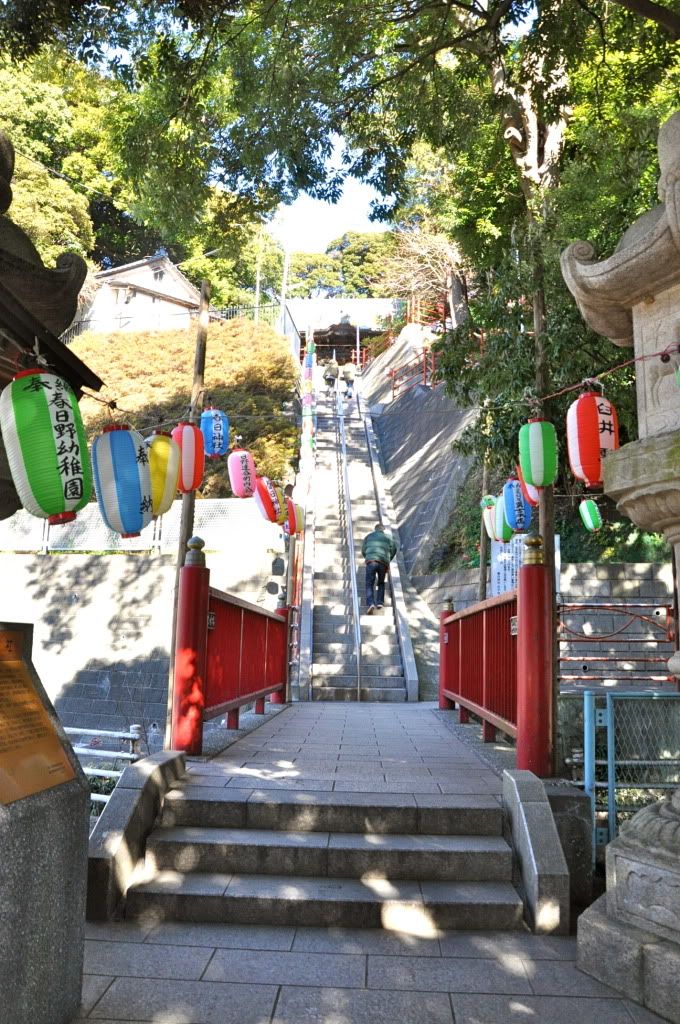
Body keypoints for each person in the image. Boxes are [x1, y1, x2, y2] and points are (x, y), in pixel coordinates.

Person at [361, 522, 397, 614]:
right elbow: (394, 549)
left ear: (375, 529)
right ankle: (380, 602)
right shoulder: (388, 537)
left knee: (369, 583)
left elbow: (363, 550)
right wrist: (388, 559)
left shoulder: (368, 537)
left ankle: (371, 603)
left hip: (371, 562)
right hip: (383, 562)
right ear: (383, 530)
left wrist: (368, 557)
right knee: (381, 582)